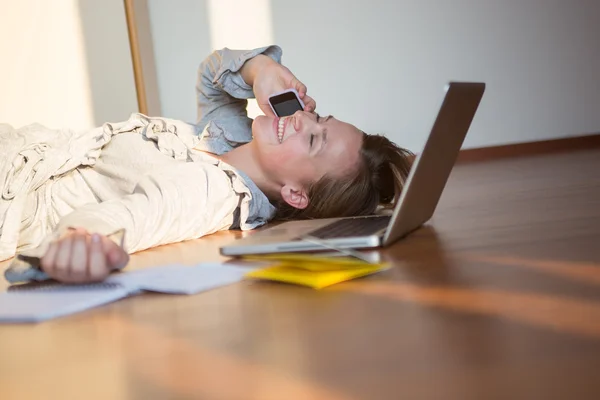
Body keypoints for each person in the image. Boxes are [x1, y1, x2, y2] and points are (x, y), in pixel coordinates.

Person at [1, 46, 413, 284]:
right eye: (320, 118)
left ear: (295, 193)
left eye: (312, 138)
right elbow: (211, 74)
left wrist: (78, 241)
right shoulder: (231, 136)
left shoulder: (211, 194)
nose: (302, 116)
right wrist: (263, 70)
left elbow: (141, 215)